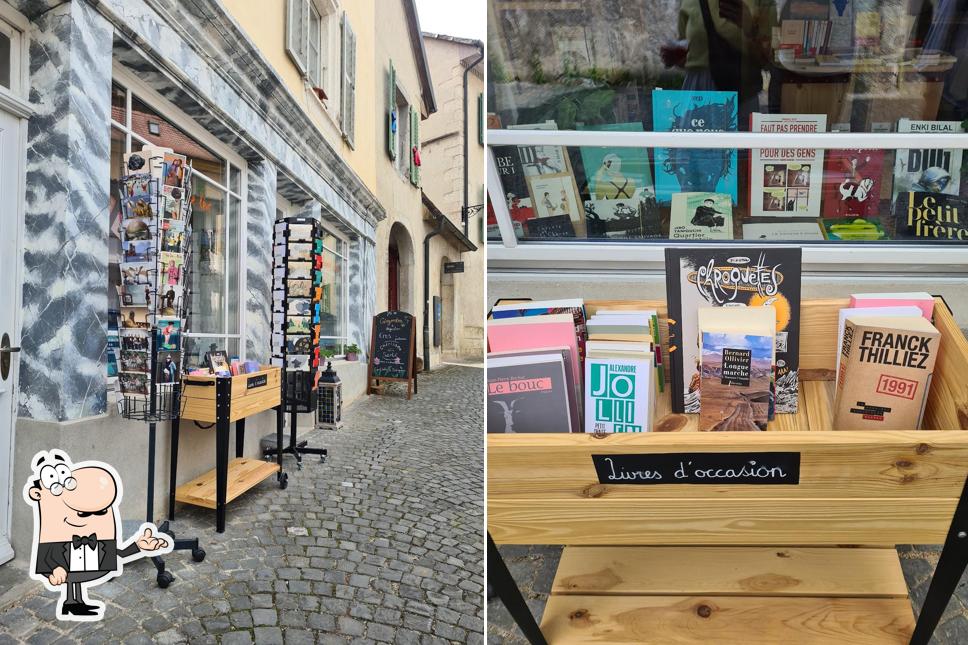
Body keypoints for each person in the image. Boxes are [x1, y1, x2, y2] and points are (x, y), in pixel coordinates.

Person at [23, 451, 170, 620]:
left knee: (76, 576)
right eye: (82, 513)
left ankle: (74, 603)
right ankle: (72, 603)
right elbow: (47, 559)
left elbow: (117, 554)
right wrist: (53, 571)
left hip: (89, 562)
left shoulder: (99, 537)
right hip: (66, 561)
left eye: (100, 512)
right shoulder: (53, 539)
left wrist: (138, 546)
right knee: (72, 575)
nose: (89, 517)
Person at [662, 0, 777, 125]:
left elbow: (770, 57)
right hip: (699, 93)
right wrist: (675, 58)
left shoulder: (760, 3)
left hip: (741, 92)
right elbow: (687, 50)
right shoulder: (690, 2)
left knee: (740, 142)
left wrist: (748, 27)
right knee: (697, 142)